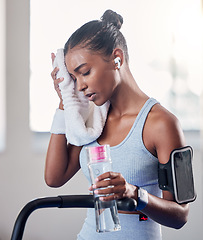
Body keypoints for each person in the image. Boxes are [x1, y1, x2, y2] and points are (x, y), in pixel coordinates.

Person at [45, 9, 189, 240]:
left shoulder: (162, 124)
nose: (80, 85)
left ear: (117, 58)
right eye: (74, 78)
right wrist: (65, 100)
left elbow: (180, 216)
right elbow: (54, 177)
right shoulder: (92, 121)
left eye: (85, 72)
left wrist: (134, 194)